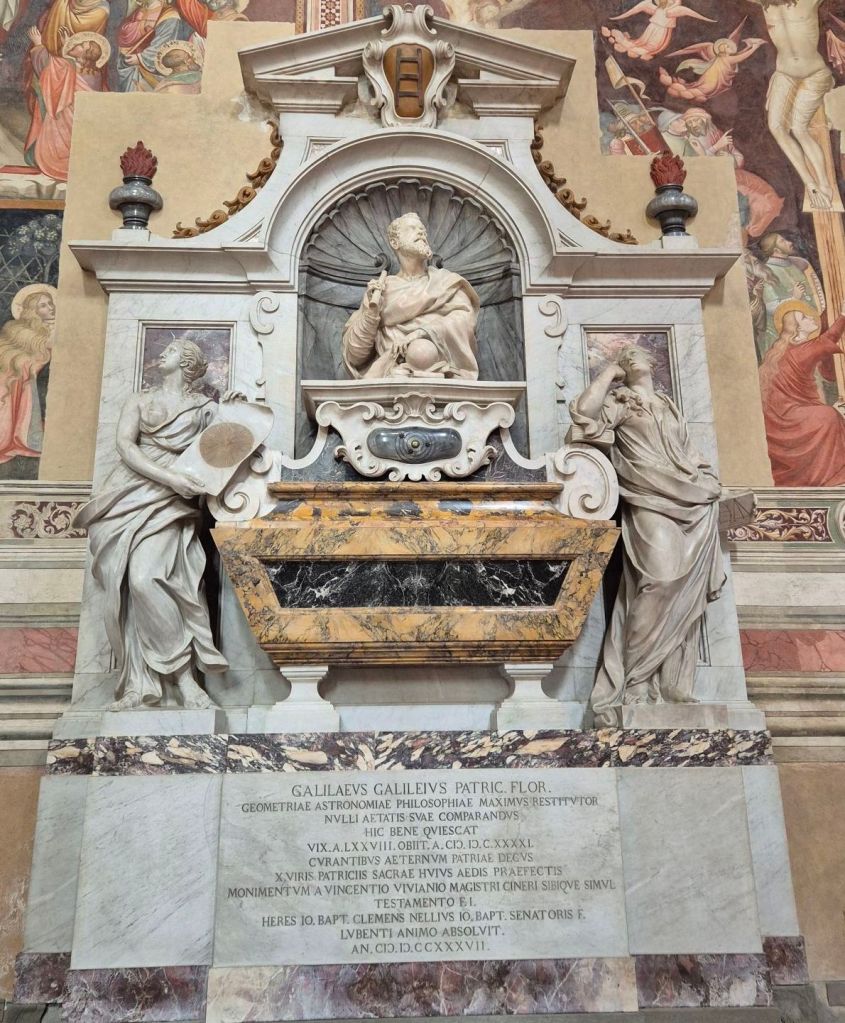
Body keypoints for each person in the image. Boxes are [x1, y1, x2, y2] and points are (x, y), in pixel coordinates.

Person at [571, 346, 724, 726]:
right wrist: (608, 374)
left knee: (684, 593)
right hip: (648, 499)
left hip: (693, 503)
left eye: (635, 353)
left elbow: (692, 456)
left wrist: (708, 482)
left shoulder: (670, 407)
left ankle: (668, 683)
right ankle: (634, 678)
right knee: (660, 580)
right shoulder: (621, 402)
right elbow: (583, 415)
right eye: (624, 355)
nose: (630, 356)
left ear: (653, 362)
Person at [74, 339, 231, 710]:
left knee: (149, 580)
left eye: (173, 351)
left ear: (188, 363)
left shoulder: (205, 408)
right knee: (129, 585)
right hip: (129, 495)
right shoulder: (139, 401)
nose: (163, 353)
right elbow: (125, 447)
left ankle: (185, 680)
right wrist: (169, 477)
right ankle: (138, 683)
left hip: (171, 504)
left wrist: (236, 409)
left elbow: (226, 448)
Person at [342, 212, 480, 380]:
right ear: (395, 242)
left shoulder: (446, 282)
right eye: (412, 229)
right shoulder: (381, 290)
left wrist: (420, 333)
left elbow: (465, 322)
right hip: (389, 375)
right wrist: (371, 315)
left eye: (423, 230)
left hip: (441, 374)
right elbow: (355, 356)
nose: (421, 232)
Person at [751, 0, 837, 211]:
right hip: (784, 73)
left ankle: (824, 184)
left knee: (799, 129)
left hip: (815, 73)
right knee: (776, 127)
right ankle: (810, 184)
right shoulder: (765, 4)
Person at [759, 300, 845, 487]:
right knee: (828, 417)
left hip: (782, 415)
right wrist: (843, 315)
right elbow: (829, 337)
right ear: (797, 329)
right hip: (789, 417)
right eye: (804, 318)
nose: (810, 318)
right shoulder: (802, 351)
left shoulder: (785, 348)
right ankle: (832, 477)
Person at [682, 107, 783, 239]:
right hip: (714, 181)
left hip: (731, 174)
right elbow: (696, 166)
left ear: (705, 121)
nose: (694, 125)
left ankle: (751, 229)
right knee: (747, 202)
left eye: (696, 120)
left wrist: (730, 157)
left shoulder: (716, 134)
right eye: (690, 123)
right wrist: (716, 148)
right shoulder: (690, 141)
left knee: (767, 196)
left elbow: (737, 155)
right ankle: (748, 230)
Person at [24, 27, 108, 180]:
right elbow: (67, 70)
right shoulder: (95, 73)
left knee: (57, 155)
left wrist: (38, 44)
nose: (75, 44)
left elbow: (47, 65)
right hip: (77, 127)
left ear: (85, 55)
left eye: (81, 45)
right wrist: (68, 47)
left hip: (61, 126)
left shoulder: (67, 66)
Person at [0, 287, 55, 463]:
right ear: (33, 311)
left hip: (24, 371)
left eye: (51, 304)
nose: (51, 308)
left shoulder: (49, 328)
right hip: (11, 373)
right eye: (44, 305)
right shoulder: (16, 328)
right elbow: (38, 346)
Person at [757, 232, 825, 359]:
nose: (789, 243)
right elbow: (769, 306)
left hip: (807, 327)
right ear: (775, 250)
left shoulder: (794, 265)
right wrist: (794, 298)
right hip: (784, 335)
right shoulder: (767, 271)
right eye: (783, 241)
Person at [116, 0, 195, 92]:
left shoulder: (170, 15)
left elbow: (162, 46)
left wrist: (140, 58)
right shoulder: (138, 12)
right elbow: (123, 36)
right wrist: (141, 25)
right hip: (129, 64)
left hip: (150, 73)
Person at [602, 0, 716, 62]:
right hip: (657, 17)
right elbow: (657, 2)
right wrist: (661, 4)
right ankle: (637, 45)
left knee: (656, 40)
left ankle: (647, 49)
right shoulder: (655, 6)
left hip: (665, 21)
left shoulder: (676, 4)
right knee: (646, 37)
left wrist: (668, 7)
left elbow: (678, 5)